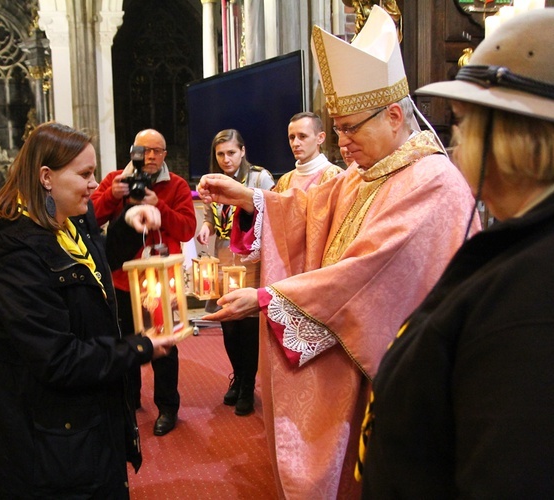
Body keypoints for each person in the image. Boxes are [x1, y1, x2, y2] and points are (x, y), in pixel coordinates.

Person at [197, 6, 478, 498]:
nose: (343, 144)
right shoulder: (368, 170)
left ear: (394, 115)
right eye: (338, 128)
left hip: (392, 370)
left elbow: (367, 275)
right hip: (349, 349)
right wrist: (251, 197)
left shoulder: (431, 183)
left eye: (351, 128)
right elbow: (310, 211)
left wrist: (268, 298)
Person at [359, 9, 554, 497]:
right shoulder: (521, 244)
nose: (454, 138)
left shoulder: (533, 294)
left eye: (465, 122)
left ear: (510, 137)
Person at [0, 121, 178, 498]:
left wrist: (128, 225)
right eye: (84, 174)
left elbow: (93, 269)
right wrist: (139, 348)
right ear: (46, 177)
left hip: (77, 421)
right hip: (42, 440)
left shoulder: (67, 222)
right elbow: (58, 359)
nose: (95, 184)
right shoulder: (17, 259)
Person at [91, 128, 195, 437]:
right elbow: (89, 218)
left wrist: (157, 205)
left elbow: (188, 228)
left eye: (157, 151)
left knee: (164, 346)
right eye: (144, 150)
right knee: (125, 342)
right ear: (133, 152)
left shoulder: (175, 185)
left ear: (165, 155)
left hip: (160, 279)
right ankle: (129, 400)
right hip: (121, 277)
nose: (150, 156)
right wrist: (112, 196)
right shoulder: (114, 180)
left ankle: (167, 407)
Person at [195, 129, 274, 416]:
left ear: (242, 151)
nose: (226, 159)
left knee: (248, 325)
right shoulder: (213, 181)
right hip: (223, 257)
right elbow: (212, 220)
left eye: (231, 152)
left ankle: (248, 385)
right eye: (220, 154)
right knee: (228, 323)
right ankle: (237, 376)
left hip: (250, 261)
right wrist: (206, 228)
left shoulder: (259, 178)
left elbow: (273, 215)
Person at [273, 112, 342, 193]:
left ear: (320, 138)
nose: (295, 143)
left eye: (302, 136)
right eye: (292, 137)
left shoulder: (336, 176)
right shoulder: (284, 181)